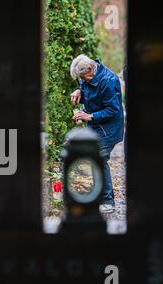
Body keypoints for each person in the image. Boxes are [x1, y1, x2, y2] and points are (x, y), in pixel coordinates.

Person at [69, 54, 124, 214]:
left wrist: (89, 116)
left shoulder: (108, 81)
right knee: (92, 158)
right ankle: (98, 195)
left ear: (91, 69)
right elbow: (88, 88)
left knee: (98, 159)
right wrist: (79, 91)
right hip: (95, 126)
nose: (83, 81)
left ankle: (108, 201)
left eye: (84, 78)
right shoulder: (87, 73)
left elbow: (113, 109)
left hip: (109, 129)